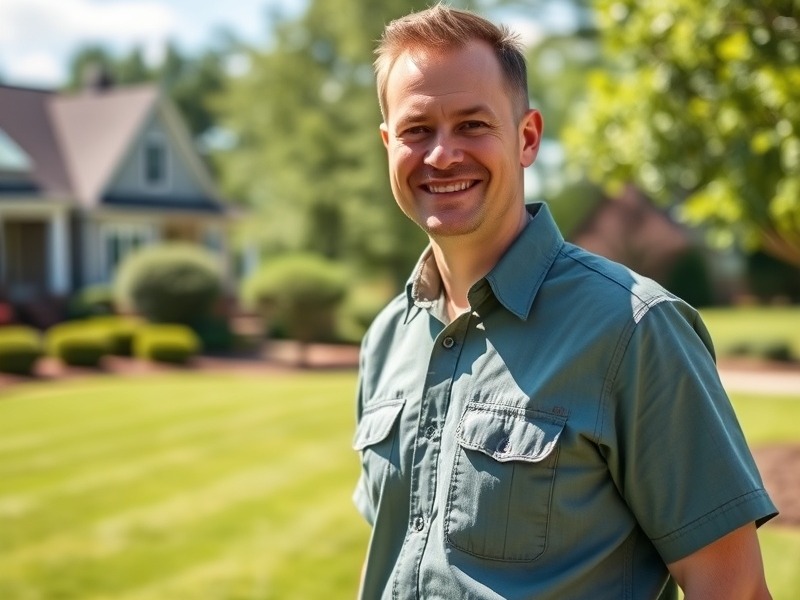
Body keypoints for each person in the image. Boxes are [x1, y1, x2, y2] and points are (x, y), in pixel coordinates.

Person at [352, 4, 778, 599]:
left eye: (473, 125)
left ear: (527, 137)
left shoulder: (633, 331)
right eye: (416, 130)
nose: (442, 155)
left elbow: (732, 590)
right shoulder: (387, 338)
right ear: (388, 144)